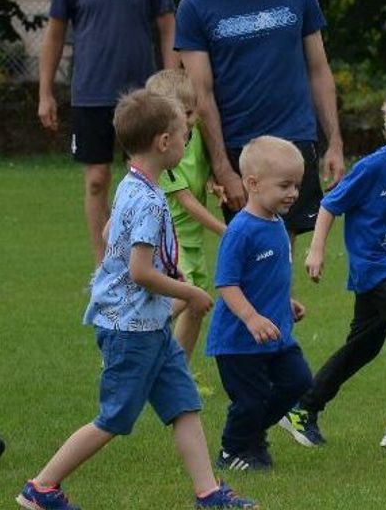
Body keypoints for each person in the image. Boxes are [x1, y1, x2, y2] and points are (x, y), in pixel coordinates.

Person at [17, 89, 256, 510]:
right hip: (130, 330)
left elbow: (112, 236)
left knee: (183, 404)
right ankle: (42, 487)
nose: (186, 143)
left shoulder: (132, 183)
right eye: (183, 136)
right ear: (165, 142)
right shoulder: (148, 199)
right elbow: (139, 272)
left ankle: (208, 494)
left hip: (149, 326)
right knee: (114, 417)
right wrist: (190, 291)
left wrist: (167, 274)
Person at [279, 87, 386, 450]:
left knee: (363, 347)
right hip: (374, 268)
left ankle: (303, 409)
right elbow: (330, 205)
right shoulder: (372, 168)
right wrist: (317, 249)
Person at [176, 0, 345, 240]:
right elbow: (201, 94)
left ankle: (277, 297)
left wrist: (335, 143)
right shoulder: (195, 6)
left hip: (296, 138)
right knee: (253, 247)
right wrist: (222, 167)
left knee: (285, 247)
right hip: (241, 147)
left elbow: (319, 71)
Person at [37, 0, 178, 264]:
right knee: (97, 178)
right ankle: (104, 265)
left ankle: (149, 257)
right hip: (91, 93)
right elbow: (53, 35)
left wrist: (170, 85)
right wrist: (45, 93)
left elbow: (168, 28)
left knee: (150, 177)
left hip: (143, 95)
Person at [205, 136, 314, 471]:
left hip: (276, 332)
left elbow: (270, 275)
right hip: (239, 340)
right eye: (285, 185)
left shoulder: (277, 225)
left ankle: (248, 437)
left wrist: (286, 301)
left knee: (298, 381)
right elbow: (227, 284)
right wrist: (251, 318)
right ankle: (232, 449)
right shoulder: (240, 231)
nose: (293, 193)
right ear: (252, 183)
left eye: (297, 185)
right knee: (250, 400)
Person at [147, 69, 226, 386]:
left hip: (191, 243)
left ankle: (177, 374)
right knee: (185, 298)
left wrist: (213, 184)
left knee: (197, 306)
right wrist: (224, 230)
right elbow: (186, 202)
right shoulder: (163, 150)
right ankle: (133, 337)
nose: (194, 118)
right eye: (189, 112)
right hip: (171, 240)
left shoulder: (194, 138)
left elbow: (202, 175)